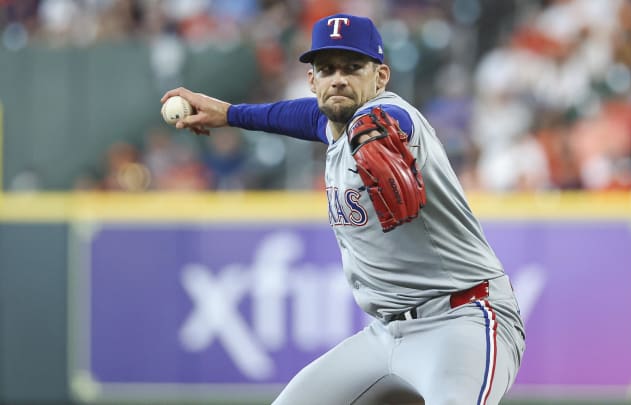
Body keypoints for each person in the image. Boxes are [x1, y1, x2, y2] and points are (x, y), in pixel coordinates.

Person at [162, 13, 525, 405]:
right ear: (312, 79)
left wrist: (374, 128)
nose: (338, 79)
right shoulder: (333, 123)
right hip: (386, 334)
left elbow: (385, 120)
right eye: (327, 69)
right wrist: (230, 114)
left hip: (464, 320)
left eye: (353, 68)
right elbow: (304, 117)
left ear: (381, 76)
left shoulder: (390, 118)